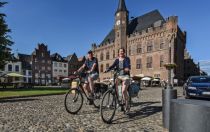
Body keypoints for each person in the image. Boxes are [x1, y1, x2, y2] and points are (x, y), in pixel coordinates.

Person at [105, 48, 131, 113]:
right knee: (114, 85)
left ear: (124, 52)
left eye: (122, 51)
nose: (121, 52)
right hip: (119, 76)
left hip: (125, 76)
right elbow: (113, 65)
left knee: (123, 90)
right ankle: (118, 99)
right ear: (118, 53)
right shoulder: (117, 60)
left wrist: (127, 68)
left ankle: (127, 105)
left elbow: (128, 65)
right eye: (120, 51)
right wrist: (108, 69)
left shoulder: (127, 59)